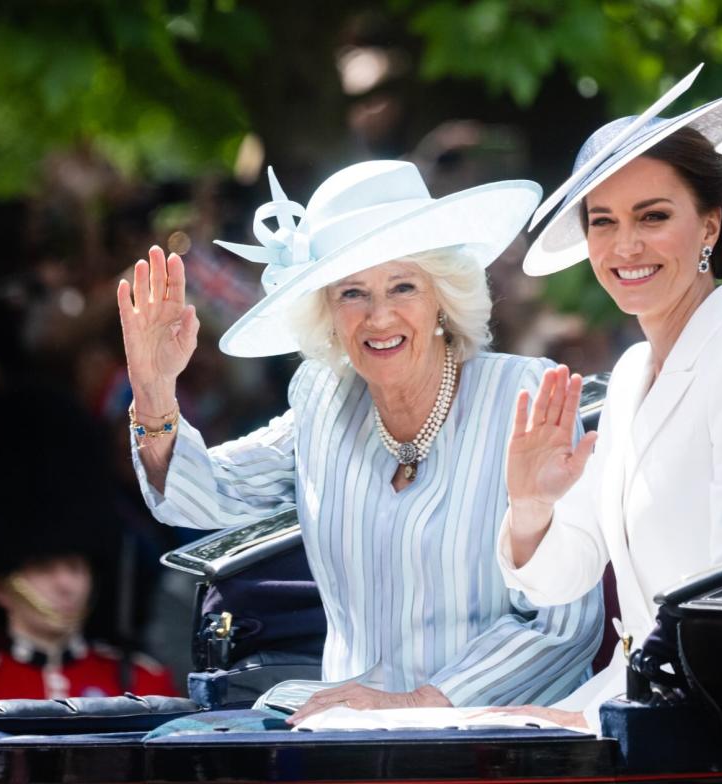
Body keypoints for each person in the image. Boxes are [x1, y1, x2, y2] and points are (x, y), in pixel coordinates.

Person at [118, 161, 602, 723]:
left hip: (507, 739)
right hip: (350, 736)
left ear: (442, 297)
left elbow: (564, 624)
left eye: (403, 286)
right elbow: (207, 497)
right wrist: (154, 391)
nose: (379, 316)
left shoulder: (522, 395)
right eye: (352, 292)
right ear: (326, 312)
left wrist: (420, 706)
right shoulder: (325, 397)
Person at [495, 67, 722, 730]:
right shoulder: (633, 370)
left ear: (708, 224)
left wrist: (594, 720)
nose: (625, 246)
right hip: (629, 704)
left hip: (708, 720)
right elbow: (563, 577)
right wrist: (530, 508)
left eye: (652, 216)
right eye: (603, 222)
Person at [0, 384, 176, 702]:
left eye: (75, 568)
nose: (65, 584)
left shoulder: (145, 684)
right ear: (1, 588)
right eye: (44, 569)